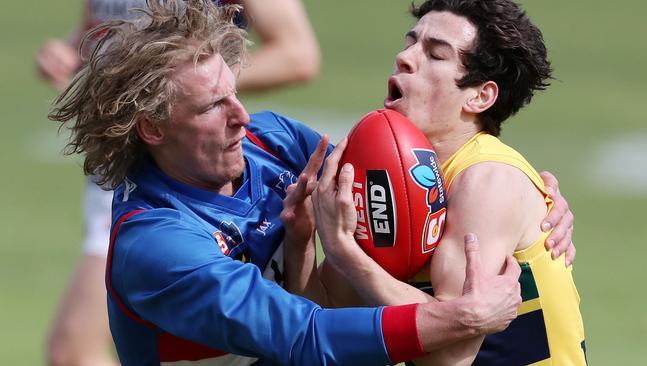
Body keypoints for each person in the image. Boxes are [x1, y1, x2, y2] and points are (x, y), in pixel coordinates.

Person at [46, 0, 578, 364]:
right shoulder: (158, 246)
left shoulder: (274, 144)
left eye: (237, 92)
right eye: (213, 106)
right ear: (154, 127)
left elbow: (402, 180)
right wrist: (461, 316)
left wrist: (535, 201)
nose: (242, 115)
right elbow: (308, 335)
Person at [37, 0, 320, 365]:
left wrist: (191, 90)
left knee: (72, 348)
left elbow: (298, 54)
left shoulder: (273, 137)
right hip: (134, 159)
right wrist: (69, 51)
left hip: (185, 158)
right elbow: (106, 31)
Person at [309, 0, 585, 365]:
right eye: (410, 43)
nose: (404, 58)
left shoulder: (488, 182)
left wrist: (345, 251)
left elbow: (448, 357)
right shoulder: (390, 177)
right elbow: (322, 314)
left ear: (480, 96)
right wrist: (301, 235)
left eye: (435, 54)